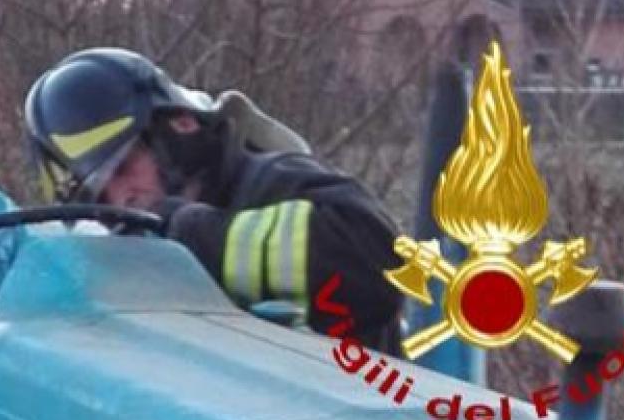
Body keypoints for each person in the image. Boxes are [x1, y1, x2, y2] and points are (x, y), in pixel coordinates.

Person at [24, 47, 404, 351]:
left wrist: (189, 233)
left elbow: (382, 262)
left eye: (123, 167)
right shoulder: (131, 252)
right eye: (99, 194)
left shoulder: (272, 182)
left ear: (180, 126)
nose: (119, 199)